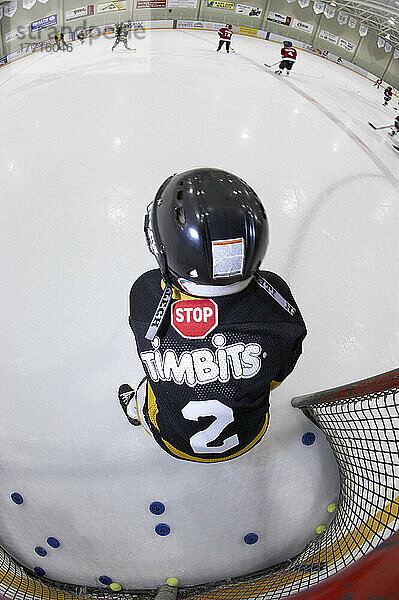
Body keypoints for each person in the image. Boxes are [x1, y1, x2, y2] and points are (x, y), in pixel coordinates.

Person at [119, 168, 307, 463]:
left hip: (174, 439)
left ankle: (134, 409)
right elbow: (279, 373)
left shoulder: (145, 293)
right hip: (250, 434)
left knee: (153, 385)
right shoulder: (277, 297)